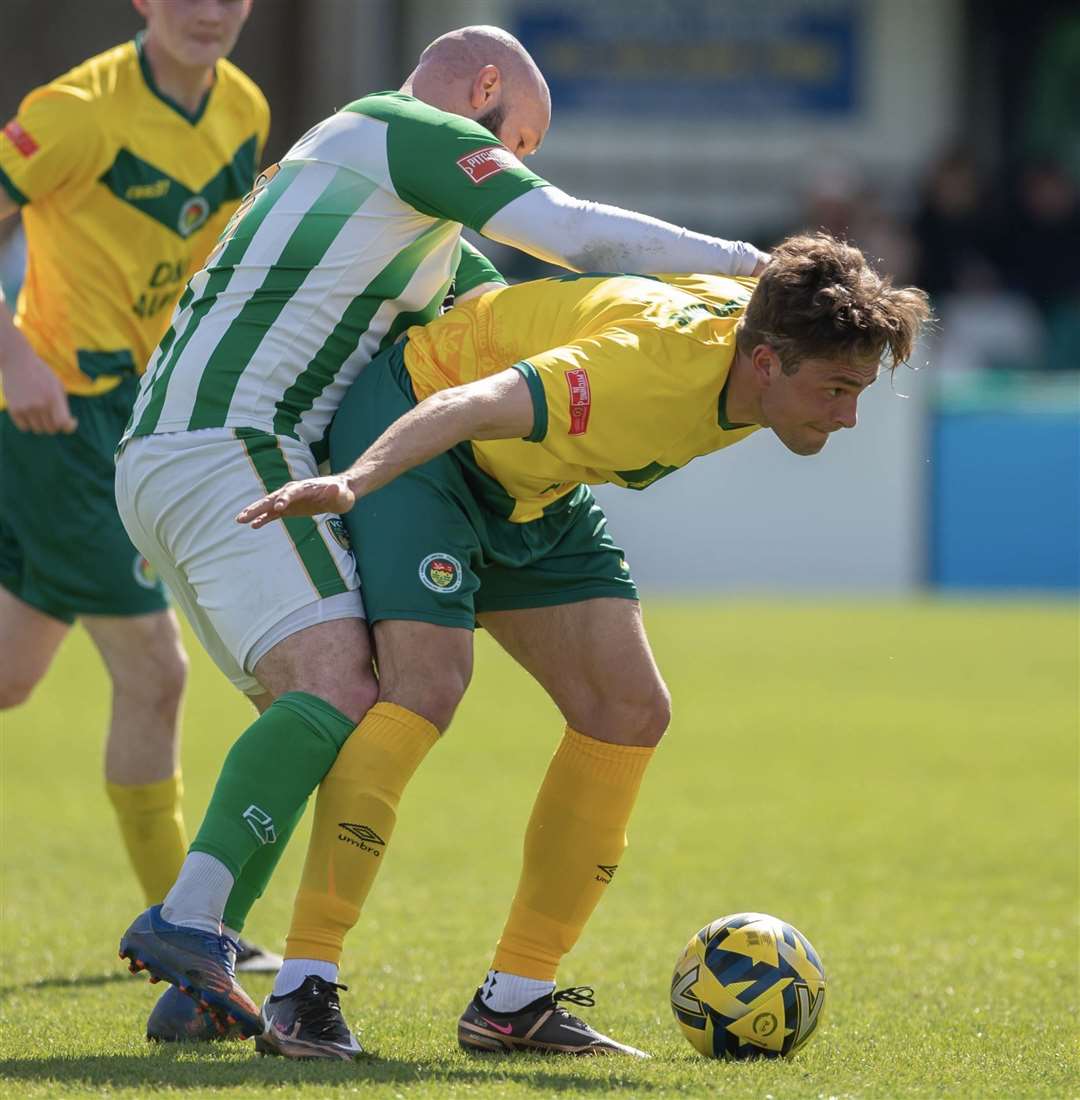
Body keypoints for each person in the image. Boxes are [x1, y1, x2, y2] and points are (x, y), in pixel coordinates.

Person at [115, 23, 769, 1051]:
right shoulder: (400, 126)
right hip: (229, 442)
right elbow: (578, 237)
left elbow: (505, 308)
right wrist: (751, 267)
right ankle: (191, 921)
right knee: (342, 685)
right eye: (521, 138)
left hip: (177, 449)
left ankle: (202, 977)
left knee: (314, 710)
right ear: (485, 90)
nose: (520, 162)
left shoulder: (388, 218)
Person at [231, 232, 932, 1060]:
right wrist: (353, 482)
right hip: (425, 436)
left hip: (535, 480)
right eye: (838, 389)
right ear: (768, 362)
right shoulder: (643, 369)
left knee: (629, 710)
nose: (849, 416)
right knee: (428, 687)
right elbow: (466, 407)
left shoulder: (759, 340)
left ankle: (514, 1000)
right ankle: (301, 988)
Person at [0, 0, 280, 1040]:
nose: (209, 10)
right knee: (156, 671)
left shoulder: (243, 110)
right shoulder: (76, 110)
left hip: (138, 415)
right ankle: (189, 921)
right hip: (58, 417)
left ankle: (188, 915)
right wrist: (12, 350)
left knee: (12, 674)